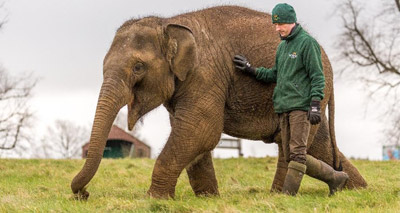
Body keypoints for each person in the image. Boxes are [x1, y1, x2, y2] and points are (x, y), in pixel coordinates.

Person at [233, 3, 349, 196]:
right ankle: (336, 178)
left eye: (281, 24)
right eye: (275, 25)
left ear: (292, 21)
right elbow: (275, 75)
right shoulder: (282, 47)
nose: (278, 28)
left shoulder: (307, 43)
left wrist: (314, 105)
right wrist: (251, 69)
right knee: (291, 156)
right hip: (283, 107)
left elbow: (317, 77)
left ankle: (287, 196)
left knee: (297, 155)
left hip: (301, 107)